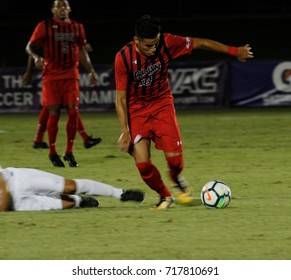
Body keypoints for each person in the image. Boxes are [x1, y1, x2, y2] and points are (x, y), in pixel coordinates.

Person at [114, 14, 254, 209]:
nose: (153, 49)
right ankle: (165, 195)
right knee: (143, 165)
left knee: (175, 162)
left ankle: (177, 178)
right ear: (136, 41)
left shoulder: (168, 42)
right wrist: (125, 130)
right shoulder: (123, 58)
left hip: (162, 104)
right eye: (148, 46)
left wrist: (235, 51)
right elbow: (120, 98)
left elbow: (202, 43)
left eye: (155, 43)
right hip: (137, 111)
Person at [26, 0, 98, 167]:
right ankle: (52, 152)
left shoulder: (78, 27)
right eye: (58, 6)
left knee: (73, 112)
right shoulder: (44, 26)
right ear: (52, 10)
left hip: (71, 75)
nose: (62, 9)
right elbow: (30, 47)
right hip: (51, 75)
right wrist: (37, 57)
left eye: (65, 6)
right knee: (54, 113)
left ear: (69, 9)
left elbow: (81, 51)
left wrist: (91, 71)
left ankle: (69, 152)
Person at [22, 48, 102, 150]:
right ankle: (83, 139)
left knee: (66, 108)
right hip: (52, 74)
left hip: (62, 73)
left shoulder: (65, 35)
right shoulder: (48, 34)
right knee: (62, 107)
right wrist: (29, 71)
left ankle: (39, 139)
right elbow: (32, 48)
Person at [0, 165, 144, 212]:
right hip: (17, 204)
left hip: (17, 180)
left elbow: (2, 183)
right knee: (67, 203)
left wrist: (4, 201)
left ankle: (119, 193)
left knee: (69, 186)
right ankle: (79, 201)